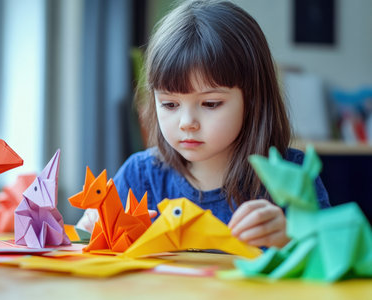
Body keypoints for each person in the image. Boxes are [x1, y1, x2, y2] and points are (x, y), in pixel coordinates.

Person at [76, 0, 330, 248]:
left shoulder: (294, 177)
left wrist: (290, 237)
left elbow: (334, 264)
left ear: (253, 99)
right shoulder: (140, 177)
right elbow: (88, 247)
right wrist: (88, 230)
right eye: (170, 105)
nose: (187, 123)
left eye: (210, 104)